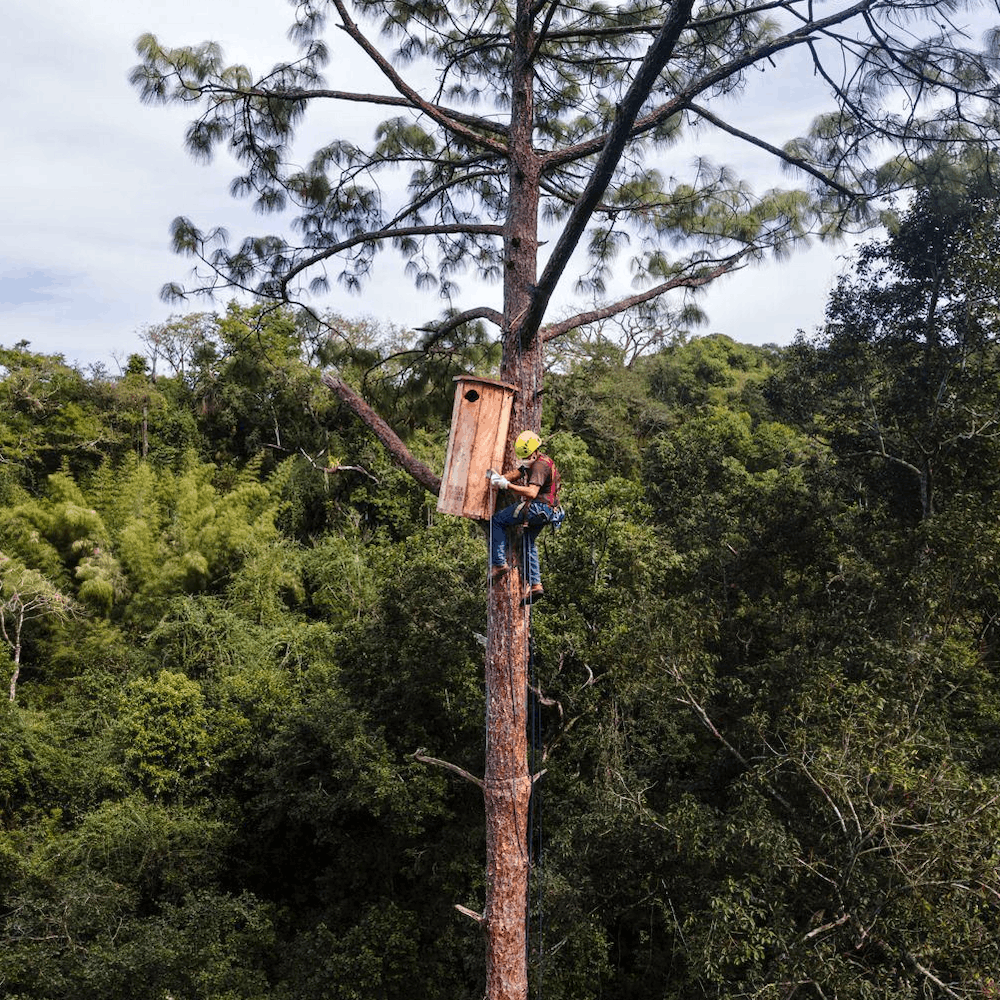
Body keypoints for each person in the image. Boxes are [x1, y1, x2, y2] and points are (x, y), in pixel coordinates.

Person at [487, 430, 562, 604]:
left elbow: (531, 492)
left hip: (537, 508)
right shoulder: (539, 460)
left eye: (527, 455)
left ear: (535, 451)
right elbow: (519, 472)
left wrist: (507, 486)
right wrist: (499, 478)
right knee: (528, 542)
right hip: (547, 511)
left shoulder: (539, 467)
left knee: (497, 521)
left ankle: (499, 563)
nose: (525, 458)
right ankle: (536, 585)